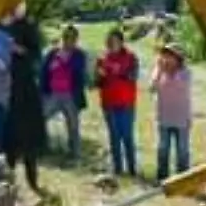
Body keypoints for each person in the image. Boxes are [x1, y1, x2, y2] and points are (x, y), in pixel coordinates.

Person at [2, 3, 48, 192]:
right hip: (4, 90)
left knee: (29, 141)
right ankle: (8, 182)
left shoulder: (28, 26)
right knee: (7, 139)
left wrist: (19, 50)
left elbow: (36, 56)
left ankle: (32, 181)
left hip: (25, 89)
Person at [96, 29, 140, 177]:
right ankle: (118, 169)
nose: (112, 44)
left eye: (115, 41)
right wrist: (100, 76)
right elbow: (97, 82)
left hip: (126, 103)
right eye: (109, 41)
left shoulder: (131, 57)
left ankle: (132, 169)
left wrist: (116, 72)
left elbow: (133, 76)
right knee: (114, 137)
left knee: (127, 136)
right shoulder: (102, 58)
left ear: (121, 42)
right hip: (108, 103)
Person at [40, 26, 89, 159]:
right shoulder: (52, 53)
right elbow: (44, 71)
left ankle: (75, 153)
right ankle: (43, 147)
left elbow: (79, 71)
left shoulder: (79, 55)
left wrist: (65, 59)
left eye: (72, 38)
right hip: (53, 94)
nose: (69, 41)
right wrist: (43, 90)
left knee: (73, 125)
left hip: (70, 95)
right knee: (40, 118)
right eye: (66, 37)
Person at [151, 42, 193, 178]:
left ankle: (183, 177)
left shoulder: (185, 72)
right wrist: (159, 70)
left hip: (181, 118)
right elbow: (153, 88)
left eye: (170, 56)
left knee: (182, 150)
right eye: (164, 55)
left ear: (178, 58)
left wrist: (166, 71)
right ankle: (162, 177)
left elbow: (178, 83)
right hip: (164, 117)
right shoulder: (159, 71)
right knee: (163, 149)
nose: (166, 59)